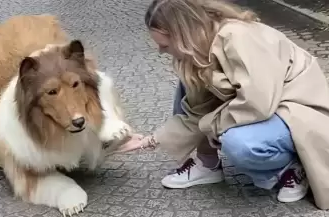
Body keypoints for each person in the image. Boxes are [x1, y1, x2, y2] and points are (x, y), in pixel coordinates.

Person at [117, 0, 329, 209]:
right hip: (269, 109)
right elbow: (195, 111)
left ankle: (291, 167)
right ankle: (207, 164)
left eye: (165, 45)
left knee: (239, 143)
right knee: (188, 86)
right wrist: (149, 141)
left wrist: (212, 125)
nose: (161, 51)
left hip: (298, 109)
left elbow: (258, 104)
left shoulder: (239, 37)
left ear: (183, 34)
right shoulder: (198, 51)